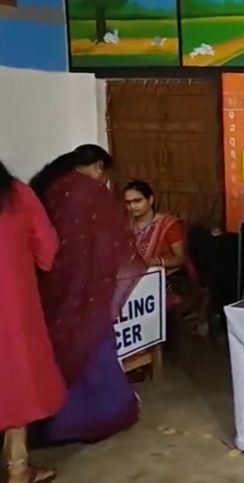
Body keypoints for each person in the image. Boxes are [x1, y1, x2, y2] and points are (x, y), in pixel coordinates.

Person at [29, 145, 147, 443]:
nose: (103, 182)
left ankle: (54, 421)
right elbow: (111, 243)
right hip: (87, 285)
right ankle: (97, 418)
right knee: (93, 350)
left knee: (63, 349)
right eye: (103, 175)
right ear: (96, 166)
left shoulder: (50, 187)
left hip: (54, 283)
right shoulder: (90, 193)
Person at [0, 160, 64, 483]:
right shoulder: (17, 196)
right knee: (14, 386)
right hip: (11, 311)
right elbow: (48, 252)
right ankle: (18, 469)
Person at [123, 180, 186, 291]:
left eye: (137, 201)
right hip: (131, 279)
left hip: (164, 280)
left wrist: (156, 262)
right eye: (128, 202)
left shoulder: (168, 225)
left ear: (150, 200)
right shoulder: (126, 225)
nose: (132, 206)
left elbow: (180, 258)